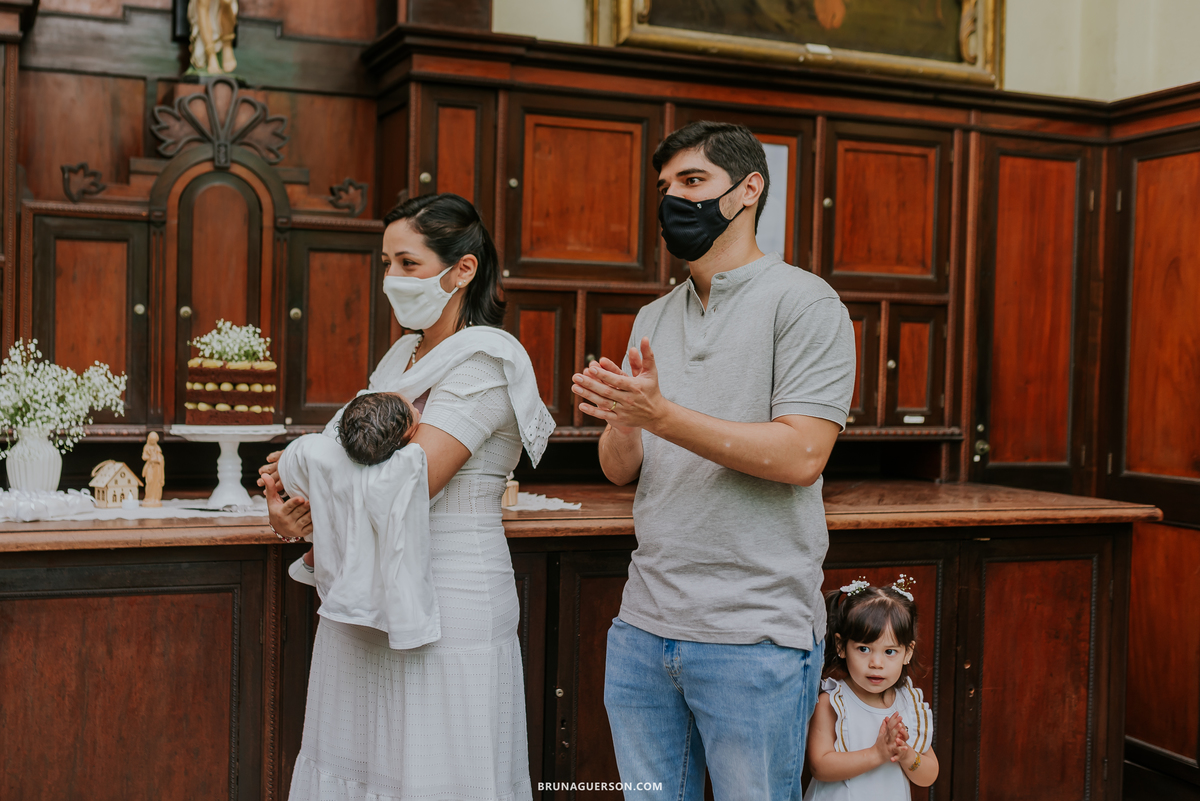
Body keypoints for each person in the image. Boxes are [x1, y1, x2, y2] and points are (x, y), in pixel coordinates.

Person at [570, 120, 857, 799]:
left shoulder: (805, 301)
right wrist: (623, 419)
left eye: (693, 182)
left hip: (752, 632)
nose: (673, 200)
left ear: (747, 189)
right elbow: (621, 468)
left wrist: (662, 414)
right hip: (643, 624)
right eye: (665, 187)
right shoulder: (653, 315)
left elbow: (802, 454)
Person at [260, 193, 555, 801]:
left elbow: (414, 480)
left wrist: (306, 460)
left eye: (409, 264)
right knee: (364, 766)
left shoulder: (485, 363)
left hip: (449, 599)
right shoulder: (402, 356)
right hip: (363, 597)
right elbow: (354, 467)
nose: (392, 279)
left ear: (462, 269)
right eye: (387, 264)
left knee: (437, 775)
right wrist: (294, 503)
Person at [804, 579, 939, 800]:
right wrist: (877, 753)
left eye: (890, 651)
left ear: (907, 652)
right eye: (864, 648)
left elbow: (929, 775)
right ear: (841, 646)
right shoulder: (834, 703)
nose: (876, 662)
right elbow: (820, 766)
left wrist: (906, 755)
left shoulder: (908, 705)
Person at [284, 391, 421, 588]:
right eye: (415, 411)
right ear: (409, 436)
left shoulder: (335, 454)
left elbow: (293, 464)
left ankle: (312, 561)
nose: (418, 411)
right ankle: (312, 562)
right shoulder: (401, 466)